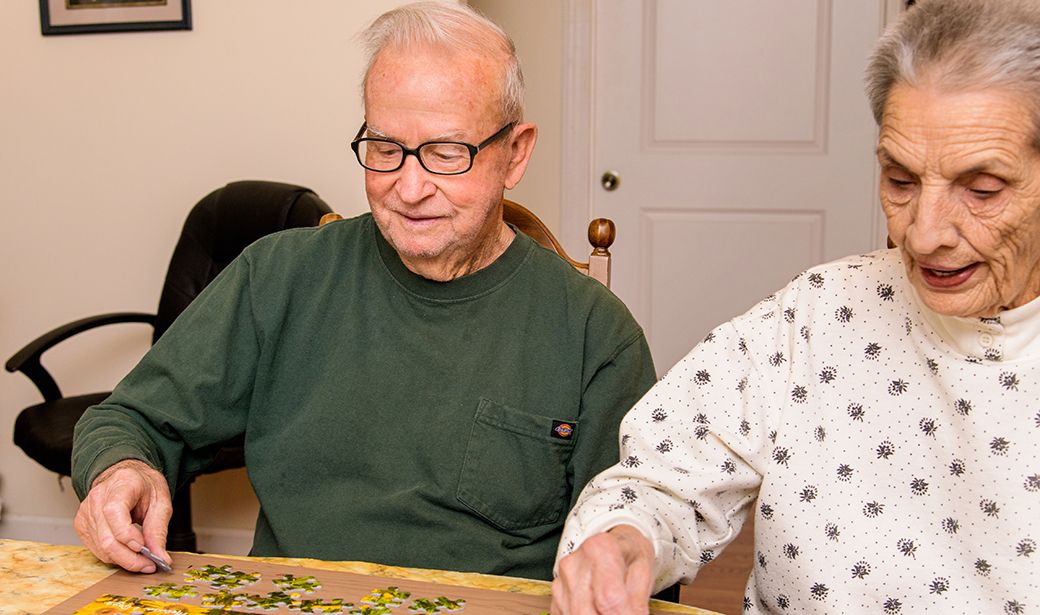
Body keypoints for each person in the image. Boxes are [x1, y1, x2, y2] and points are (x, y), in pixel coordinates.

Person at [71, 1, 655, 583]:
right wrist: (123, 471)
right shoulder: (279, 277)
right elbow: (131, 419)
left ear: (515, 153)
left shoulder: (595, 334)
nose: (409, 187)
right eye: (385, 148)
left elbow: (640, 530)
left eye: (447, 153)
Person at [551, 0, 1040, 612]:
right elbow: (661, 476)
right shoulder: (820, 310)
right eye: (901, 181)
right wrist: (625, 538)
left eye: (982, 189)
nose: (923, 233)